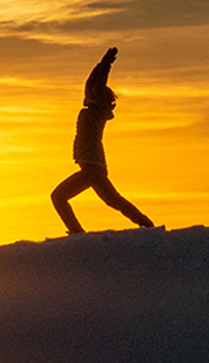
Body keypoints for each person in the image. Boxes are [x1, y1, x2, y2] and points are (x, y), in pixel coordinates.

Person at [51, 46, 157, 234]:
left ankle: (77, 232)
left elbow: (97, 85)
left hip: (93, 167)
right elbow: (90, 84)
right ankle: (147, 225)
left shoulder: (98, 110)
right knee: (113, 200)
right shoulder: (92, 109)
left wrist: (106, 64)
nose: (89, 93)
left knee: (59, 197)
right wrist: (100, 63)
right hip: (92, 166)